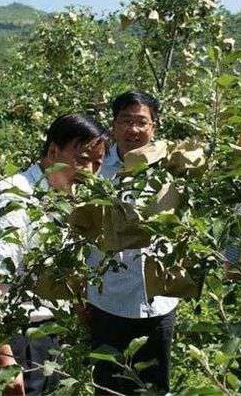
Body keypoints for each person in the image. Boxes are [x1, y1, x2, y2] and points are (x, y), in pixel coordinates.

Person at [0, 114, 107, 395]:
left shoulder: (61, 200)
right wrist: (4, 359)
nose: (89, 171)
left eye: (97, 164)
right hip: (12, 341)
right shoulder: (14, 199)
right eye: (82, 159)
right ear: (53, 151)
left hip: (43, 339)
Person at [86, 91, 178, 394]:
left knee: (154, 387)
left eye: (142, 122)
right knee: (109, 387)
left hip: (158, 302)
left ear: (154, 127)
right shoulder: (95, 169)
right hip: (107, 299)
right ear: (113, 125)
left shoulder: (170, 167)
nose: (133, 130)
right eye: (126, 121)